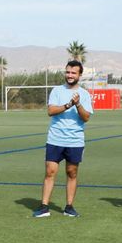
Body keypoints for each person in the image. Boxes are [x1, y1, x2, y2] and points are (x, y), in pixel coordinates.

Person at [35, 60, 91, 218]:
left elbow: (86, 117)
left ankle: (69, 207)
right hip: (55, 139)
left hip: (75, 141)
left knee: (72, 172)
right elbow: (51, 111)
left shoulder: (85, 94)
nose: (70, 75)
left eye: (73, 73)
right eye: (68, 72)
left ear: (79, 75)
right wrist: (68, 105)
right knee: (50, 172)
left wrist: (78, 104)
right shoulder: (57, 91)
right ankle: (44, 206)